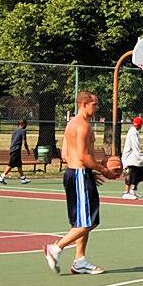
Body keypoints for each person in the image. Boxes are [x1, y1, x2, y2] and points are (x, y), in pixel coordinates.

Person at [44, 90, 121, 276]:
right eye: (94, 104)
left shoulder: (71, 124)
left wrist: (88, 171)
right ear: (84, 104)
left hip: (76, 173)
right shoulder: (83, 126)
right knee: (90, 221)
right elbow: (83, 156)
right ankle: (56, 248)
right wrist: (103, 170)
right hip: (79, 174)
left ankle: (80, 260)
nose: (97, 107)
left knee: (82, 220)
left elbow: (65, 154)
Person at [121, 115, 143, 200]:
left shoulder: (135, 132)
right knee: (130, 175)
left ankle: (133, 190)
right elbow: (136, 147)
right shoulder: (133, 133)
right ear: (140, 125)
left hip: (135, 159)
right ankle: (126, 193)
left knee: (140, 175)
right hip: (130, 159)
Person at [0, 117, 31, 184]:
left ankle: (23, 178)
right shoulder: (23, 131)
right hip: (16, 150)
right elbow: (25, 142)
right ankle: (1, 177)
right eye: (26, 124)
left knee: (19, 165)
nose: (26, 125)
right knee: (11, 164)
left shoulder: (14, 131)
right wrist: (28, 150)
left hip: (13, 149)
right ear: (23, 124)